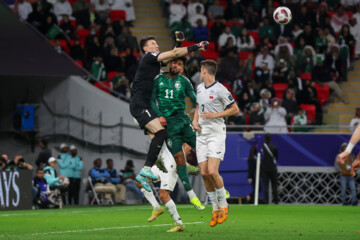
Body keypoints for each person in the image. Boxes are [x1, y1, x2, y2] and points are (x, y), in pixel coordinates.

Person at [129, 35, 209, 191]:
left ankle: (155, 168)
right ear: (146, 48)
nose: (157, 45)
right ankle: (146, 169)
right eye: (153, 43)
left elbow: (173, 55)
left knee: (163, 136)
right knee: (161, 134)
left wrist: (178, 43)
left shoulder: (155, 62)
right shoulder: (148, 57)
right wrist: (196, 46)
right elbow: (172, 54)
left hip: (146, 107)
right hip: (140, 106)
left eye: (157, 42)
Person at [150, 57, 204, 210]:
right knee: (179, 158)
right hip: (169, 125)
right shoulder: (158, 79)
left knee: (201, 149)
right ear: (169, 64)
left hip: (184, 121)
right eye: (174, 63)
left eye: (179, 64)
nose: (176, 65)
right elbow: (152, 101)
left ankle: (216, 184)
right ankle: (192, 197)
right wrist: (160, 115)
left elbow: (195, 100)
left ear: (182, 69)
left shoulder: (185, 81)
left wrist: (199, 116)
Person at [192, 60, 240, 227]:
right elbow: (199, 105)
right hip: (201, 134)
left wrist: (216, 115)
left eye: (200, 70)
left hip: (216, 133)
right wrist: (194, 120)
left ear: (205, 71)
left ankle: (224, 205)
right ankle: (214, 208)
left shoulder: (220, 89)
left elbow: (235, 109)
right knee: (204, 173)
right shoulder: (199, 88)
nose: (200, 72)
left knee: (213, 171)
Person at [139, 144, 185, 232]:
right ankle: (157, 208)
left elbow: (187, 145)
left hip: (171, 165)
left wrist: (181, 162)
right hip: (159, 164)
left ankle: (179, 224)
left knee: (164, 196)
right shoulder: (161, 131)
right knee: (140, 180)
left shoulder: (179, 130)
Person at [261, 133, 279, 204]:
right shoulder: (274, 147)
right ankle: (276, 201)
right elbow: (276, 158)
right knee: (274, 185)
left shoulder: (262, 147)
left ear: (265, 138)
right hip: (273, 168)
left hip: (264, 169)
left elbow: (260, 157)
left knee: (266, 186)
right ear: (271, 138)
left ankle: (267, 201)